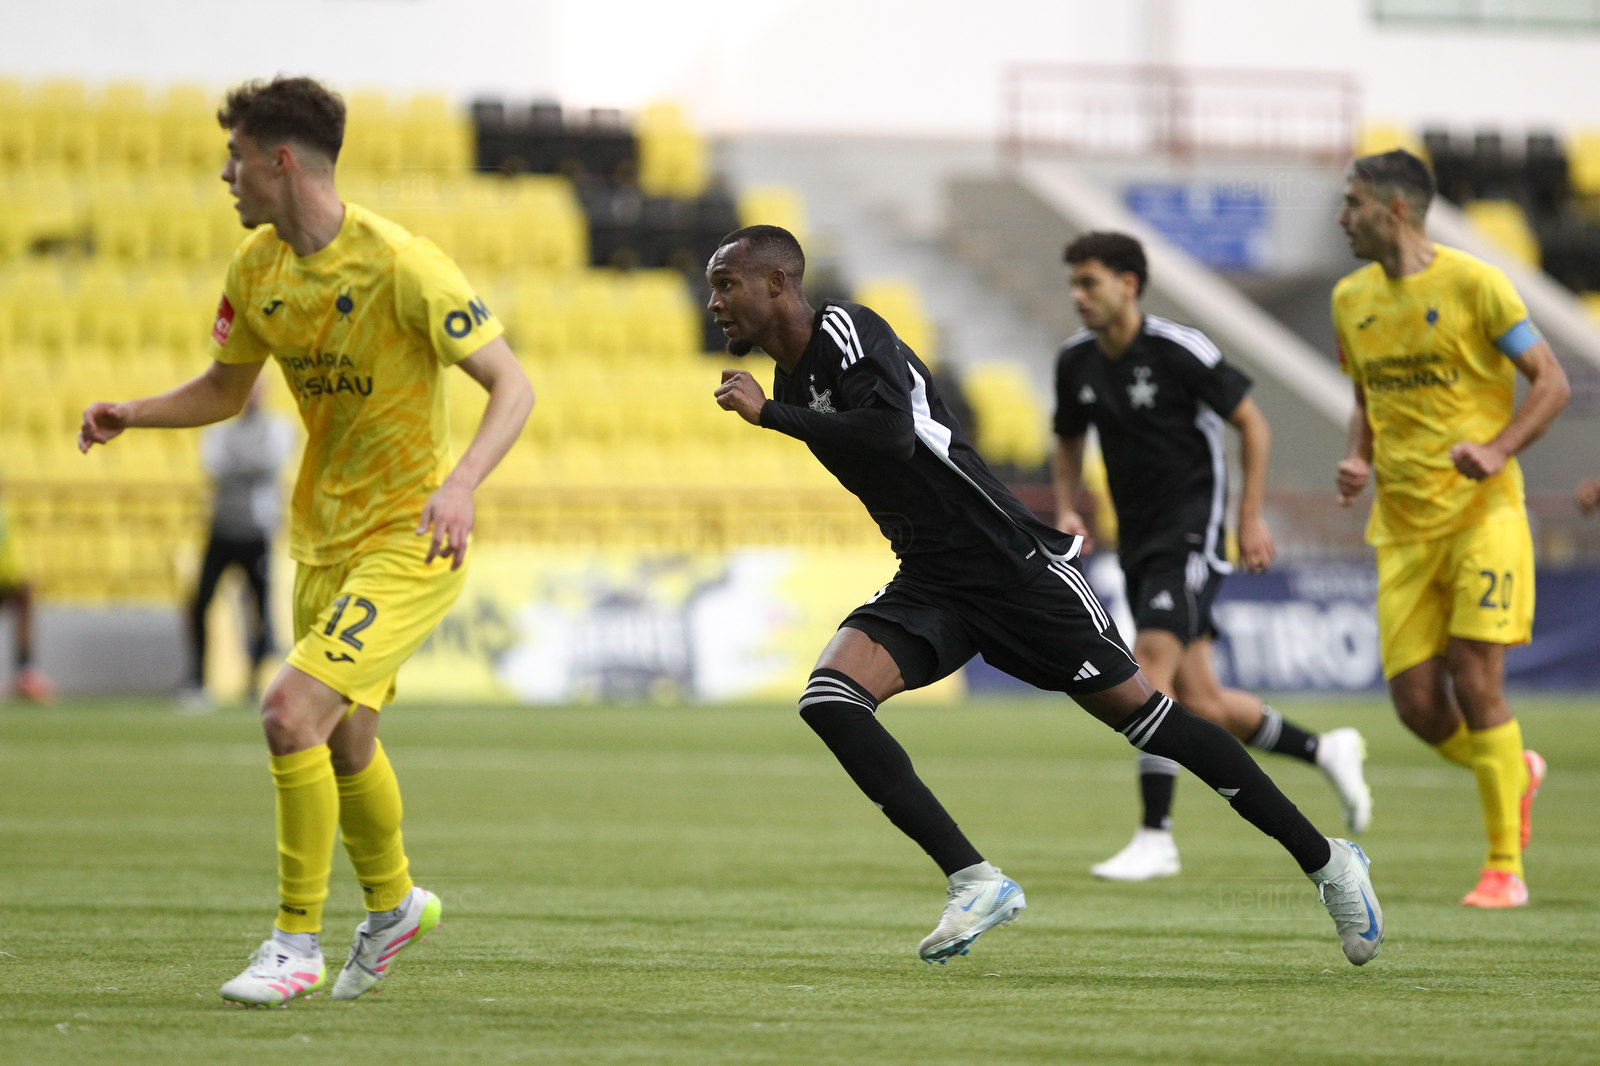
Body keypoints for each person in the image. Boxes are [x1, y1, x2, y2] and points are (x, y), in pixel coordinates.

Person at [709, 224, 1384, 968]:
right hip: (932, 578)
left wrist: (772, 418)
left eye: (726, 284)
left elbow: (894, 434)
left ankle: (1329, 863)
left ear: (778, 283)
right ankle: (975, 881)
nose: (715, 302)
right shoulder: (793, 383)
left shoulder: (846, 329)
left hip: (1011, 566)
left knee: (1150, 718)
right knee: (830, 700)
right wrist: (781, 412)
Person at [78, 76, 534, 1003]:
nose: (226, 175)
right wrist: (135, 411)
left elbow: (512, 385)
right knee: (345, 742)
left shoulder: (403, 264)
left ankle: (294, 943)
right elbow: (225, 389)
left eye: (237, 158)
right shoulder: (256, 268)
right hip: (320, 540)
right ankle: (395, 903)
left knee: (289, 712)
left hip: (408, 537)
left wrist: (460, 486)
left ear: (280, 162)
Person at [1052, 231, 1371, 882]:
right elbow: (1068, 437)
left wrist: (1248, 517)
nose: (1078, 296)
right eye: (1074, 284)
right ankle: (1325, 749)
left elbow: (1253, 423)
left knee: (1147, 670)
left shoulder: (1180, 349)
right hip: (1137, 539)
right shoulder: (1075, 361)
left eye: (1089, 282)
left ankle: (1156, 835)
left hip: (1189, 531)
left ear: (1128, 285)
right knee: (1203, 701)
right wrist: (1065, 506)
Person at [1333, 149, 1568, 908]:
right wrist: (1360, 456)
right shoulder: (1350, 299)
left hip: (1481, 514)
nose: (1343, 218)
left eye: (1354, 203)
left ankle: (1504, 868)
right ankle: (1512, 768)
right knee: (1417, 708)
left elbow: (1552, 381)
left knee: (1474, 680)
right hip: (1402, 527)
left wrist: (1497, 449)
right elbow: (1366, 395)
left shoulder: (1476, 285)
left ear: (1395, 209)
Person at [181, 378, 295, 710]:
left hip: (257, 531)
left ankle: (253, 681)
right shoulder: (220, 429)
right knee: (201, 603)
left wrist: (240, 464)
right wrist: (251, 465)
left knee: (259, 610)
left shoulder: (278, 427)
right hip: (221, 529)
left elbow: (271, 465)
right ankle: (197, 680)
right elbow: (214, 467)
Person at [0, 480, 55, 703]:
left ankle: (26, 673)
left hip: (6, 577)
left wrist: (16, 577)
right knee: (23, 599)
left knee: (24, 598)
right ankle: (26, 672)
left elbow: (7, 552)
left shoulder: (5, 511)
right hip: (5, 576)